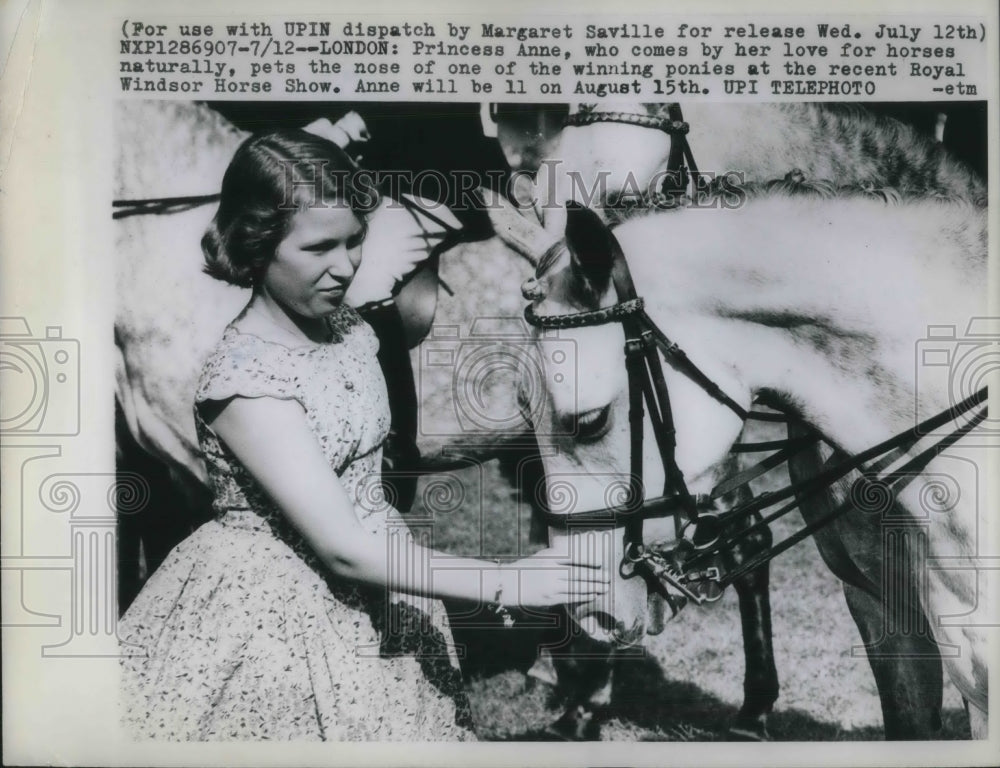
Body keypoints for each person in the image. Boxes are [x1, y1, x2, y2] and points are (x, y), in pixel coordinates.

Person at [117, 129, 609, 741]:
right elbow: (342, 547)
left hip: (380, 587)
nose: (346, 266)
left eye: (355, 241)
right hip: (273, 613)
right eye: (320, 248)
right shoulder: (246, 381)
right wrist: (505, 580)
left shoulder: (350, 328)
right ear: (256, 244)